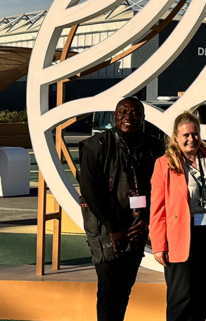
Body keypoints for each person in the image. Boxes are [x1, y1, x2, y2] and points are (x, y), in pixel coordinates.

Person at [79, 97, 164, 321]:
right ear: (115, 116)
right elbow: (90, 189)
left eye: (135, 112)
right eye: (123, 112)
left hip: (137, 227)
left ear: (143, 118)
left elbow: (161, 186)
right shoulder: (96, 146)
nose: (128, 116)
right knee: (109, 291)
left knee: (124, 290)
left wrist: (146, 219)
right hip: (107, 228)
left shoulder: (154, 146)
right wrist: (113, 225)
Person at [150, 111, 206, 321]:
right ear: (176, 137)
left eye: (196, 134)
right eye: (186, 135)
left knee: (204, 292)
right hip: (181, 235)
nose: (192, 139)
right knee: (181, 297)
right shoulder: (164, 164)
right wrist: (159, 246)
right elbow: (157, 209)